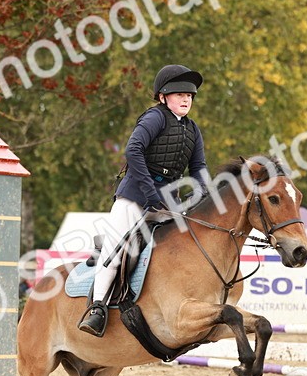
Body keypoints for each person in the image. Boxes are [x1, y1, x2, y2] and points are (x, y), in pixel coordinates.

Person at [78, 64, 211, 337]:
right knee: (115, 252)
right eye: (179, 94)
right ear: (163, 97)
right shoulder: (155, 118)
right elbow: (133, 150)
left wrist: (205, 195)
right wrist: (150, 194)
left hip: (167, 203)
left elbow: (198, 167)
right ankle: (97, 308)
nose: (186, 99)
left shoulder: (192, 129)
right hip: (135, 196)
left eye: (190, 95)